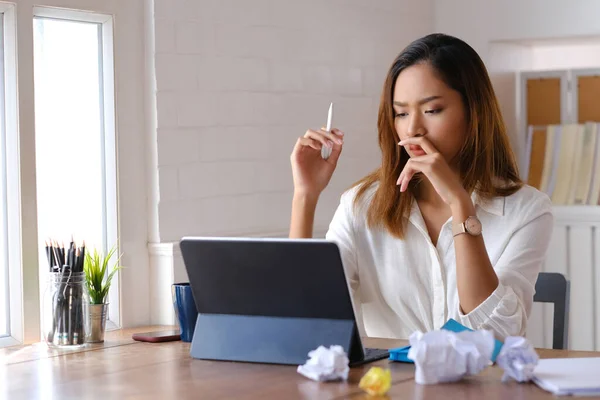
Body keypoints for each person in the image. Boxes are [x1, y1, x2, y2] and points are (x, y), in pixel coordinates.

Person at [288, 33, 553, 341]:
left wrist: (460, 204)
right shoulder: (360, 206)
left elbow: (492, 335)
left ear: (474, 112)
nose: (412, 128)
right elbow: (306, 314)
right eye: (401, 113)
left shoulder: (527, 210)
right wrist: (305, 196)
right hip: (389, 388)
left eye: (432, 110)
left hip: (481, 388)